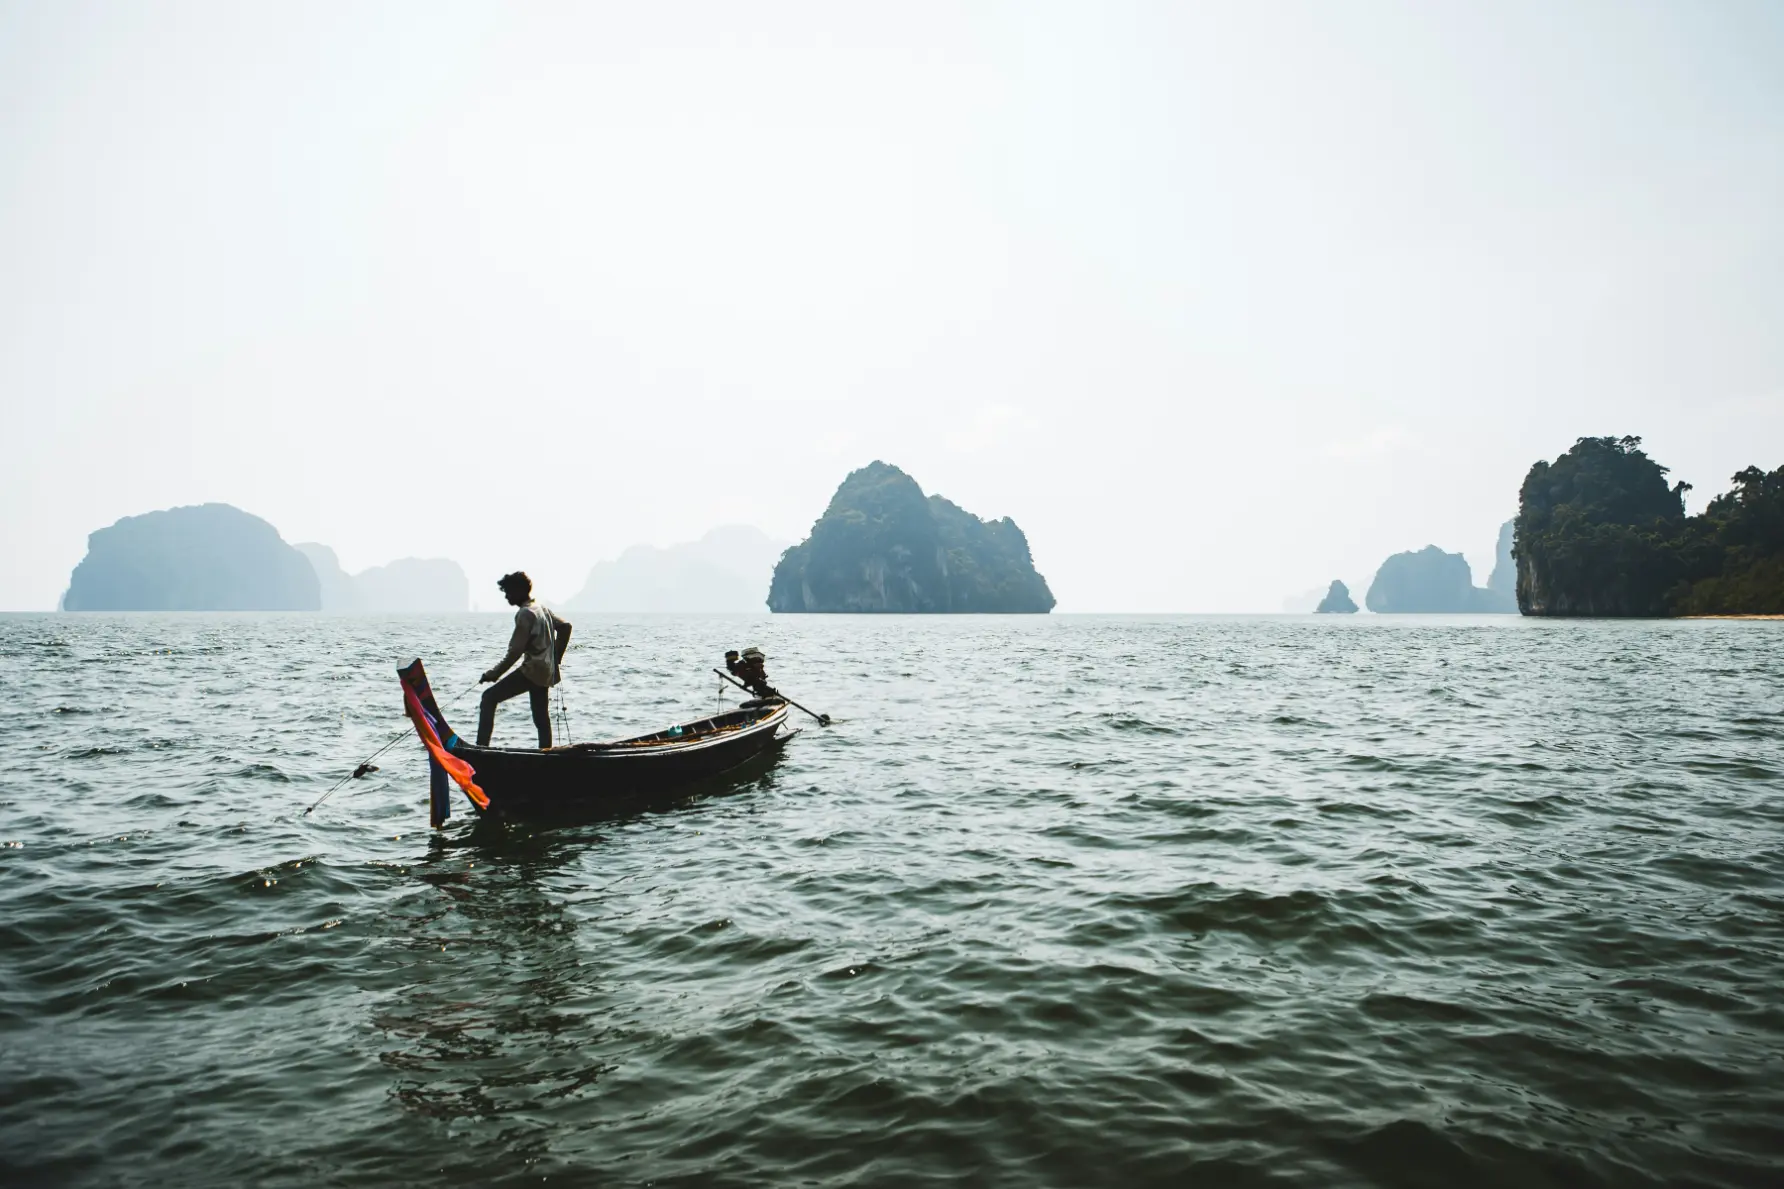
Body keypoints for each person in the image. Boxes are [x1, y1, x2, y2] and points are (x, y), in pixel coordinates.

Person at [478, 571, 572, 748]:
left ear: (519, 591)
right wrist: (555, 659)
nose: (506, 597)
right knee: (541, 717)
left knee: (488, 698)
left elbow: (515, 652)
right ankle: (546, 753)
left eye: (509, 592)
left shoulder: (525, 614)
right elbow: (566, 627)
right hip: (545, 672)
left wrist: (494, 674)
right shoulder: (541, 608)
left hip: (532, 671)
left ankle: (481, 749)